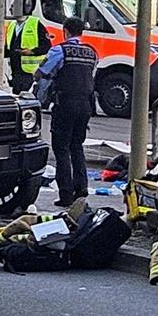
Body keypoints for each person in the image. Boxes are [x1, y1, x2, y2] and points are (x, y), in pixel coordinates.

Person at [34, 17, 98, 207]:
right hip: (86, 105)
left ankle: (66, 194)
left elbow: (42, 71)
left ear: (66, 31)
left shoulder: (59, 50)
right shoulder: (91, 52)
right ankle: (82, 188)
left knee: (61, 148)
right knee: (77, 146)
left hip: (66, 103)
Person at [5, 12, 51, 94]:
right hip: (15, 71)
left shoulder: (35, 23)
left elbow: (46, 46)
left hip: (30, 72)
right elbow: (10, 48)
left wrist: (32, 51)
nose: (11, 9)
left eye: (13, 6)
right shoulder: (12, 25)